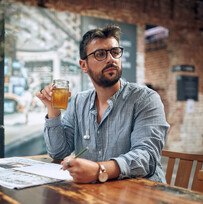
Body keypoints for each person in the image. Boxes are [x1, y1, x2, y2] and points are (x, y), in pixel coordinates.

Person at [36, 25, 170, 183]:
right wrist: (53, 110)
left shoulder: (145, 98)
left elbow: (147, 156)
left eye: (115, 52)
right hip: (95, 194)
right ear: (84, 65)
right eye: (100, 54)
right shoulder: (79, 101)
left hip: (143, 195)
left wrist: (99, 170)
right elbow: (58, 152)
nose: (111, 59)